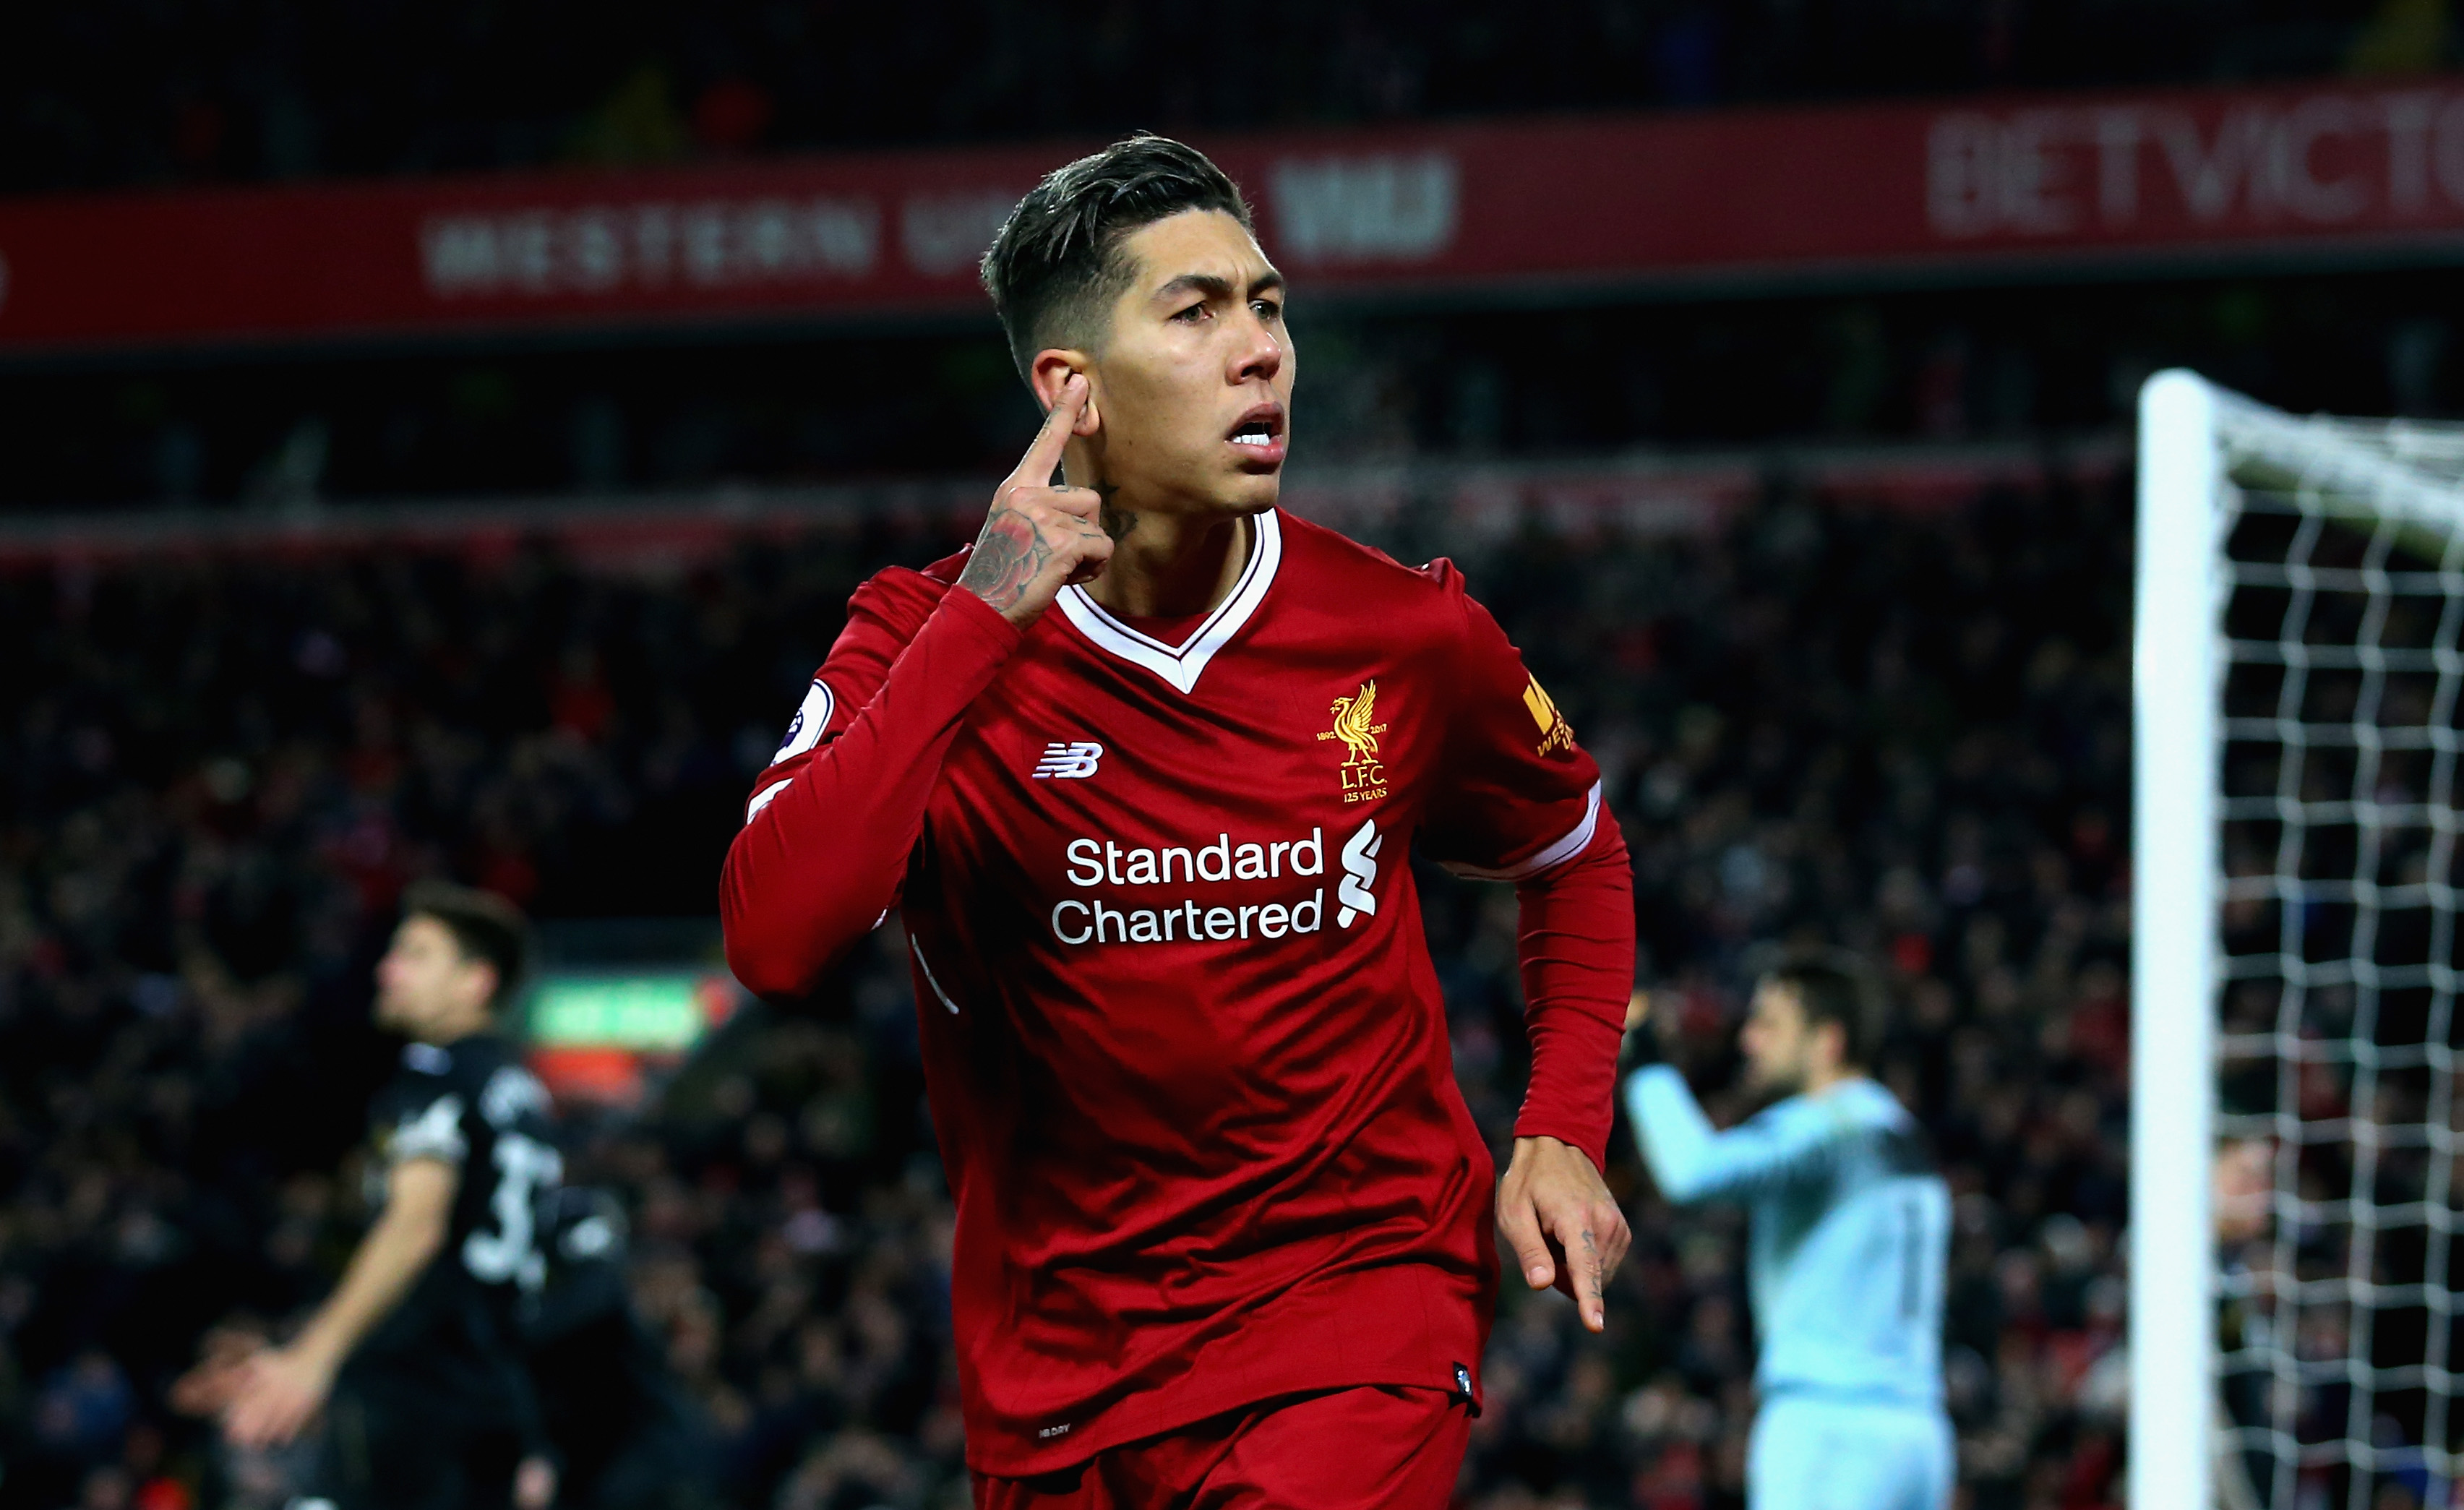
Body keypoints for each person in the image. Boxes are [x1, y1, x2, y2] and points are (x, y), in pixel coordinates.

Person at [722, 133, 1637, 1507]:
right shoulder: (919, 635)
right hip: (1055, 1371)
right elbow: (775, 936)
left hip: (1351, 1314)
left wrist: (1560, 1120)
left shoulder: (1404, 631)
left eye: (1265, 304)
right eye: (1195, 311)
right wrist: (981, 619)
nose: (1260, 347)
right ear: (1069, 389)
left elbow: (1573, 850)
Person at [211, 880, 562, 1510]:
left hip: (413, 1390)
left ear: (474, 982)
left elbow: (415, 1225)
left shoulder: (433, 1076)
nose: (388, 969)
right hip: (496, 1391)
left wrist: (312, 1357)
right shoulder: (520, 1091)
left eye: (416, 954)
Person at [1622, 956, 1953, 1510]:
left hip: (1831, 1430)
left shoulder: (1828, 1130)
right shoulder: (1902, 1134)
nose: (1749, 1040)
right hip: (1918, 1431)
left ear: (1827, 1040)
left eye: (1770, 1024)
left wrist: (1646, 1056)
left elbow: (1691, 1172)